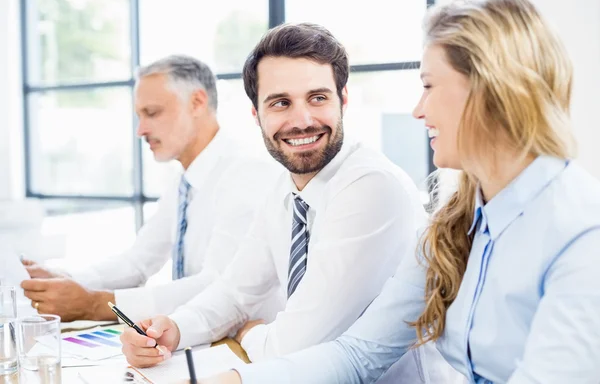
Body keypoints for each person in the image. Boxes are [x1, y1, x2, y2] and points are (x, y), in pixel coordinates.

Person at [200, 0, 600, 384]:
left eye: (428, 85)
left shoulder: (581, 233)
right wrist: (235, 378)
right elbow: (360, 353)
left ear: (491, 92)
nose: (418, 109)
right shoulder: (454, 226)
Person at [119, 23, 456, 381]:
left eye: (318, 98)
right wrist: (173, 329)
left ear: (343, 99)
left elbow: (294, 347)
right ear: (256, 114)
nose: (302, 121)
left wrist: (248, 332)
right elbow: (235, 291)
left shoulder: (371, 186)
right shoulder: (286, 187)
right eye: (281, 103)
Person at [20, 55, 282, 323]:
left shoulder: (247, 174)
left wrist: (94, 304)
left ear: (197, 102)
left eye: (152, 113)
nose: (141, 130)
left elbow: (216, 286)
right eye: (139, 116)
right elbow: (138, 261)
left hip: (245, 346)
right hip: (201, 339)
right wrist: (66, 279)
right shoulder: (184, 182)